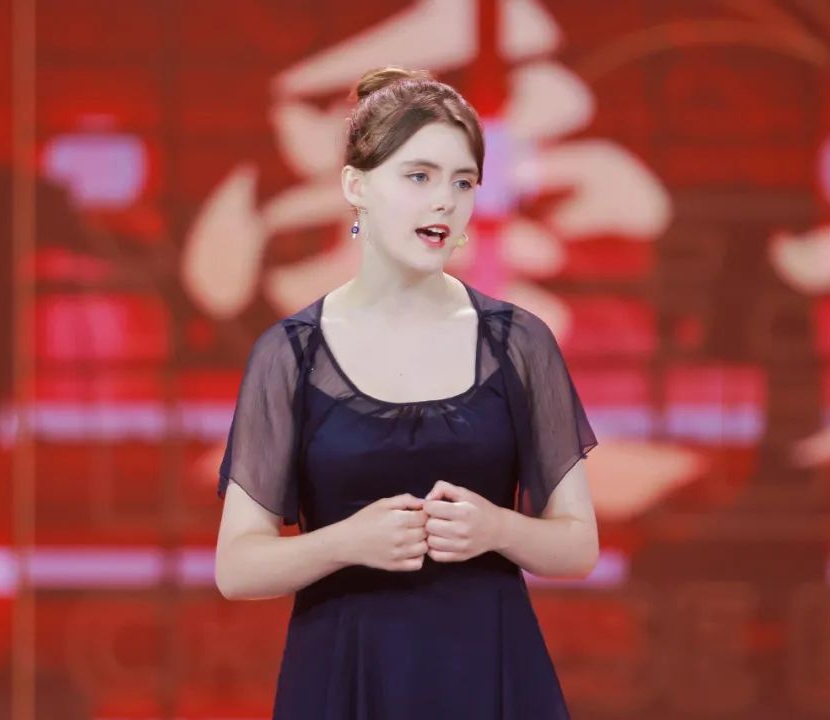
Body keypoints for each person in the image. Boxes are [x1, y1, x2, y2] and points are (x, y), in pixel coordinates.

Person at [214, 66, 599, 719]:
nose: (444, 201)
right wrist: (345, 543)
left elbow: (578, 545)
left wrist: (497, 527)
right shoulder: (293, 354)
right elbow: (237, 567)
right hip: (347, 673)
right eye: (419, 177)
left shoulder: (518, 343)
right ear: (355, 186)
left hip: (489, 669)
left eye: (463, 182)